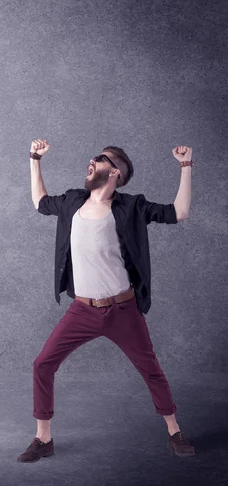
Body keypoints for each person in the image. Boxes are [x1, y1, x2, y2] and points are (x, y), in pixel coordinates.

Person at [17, 139, 195, 463]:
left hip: (123, 309)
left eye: (98, 159)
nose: (90, 160)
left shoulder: (131, 207)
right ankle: (43, 438)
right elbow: (40, 202)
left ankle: (174, 431)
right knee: (43, 364)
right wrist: (34, 159)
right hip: (82, 310)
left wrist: (186, 166)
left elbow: (179, 212)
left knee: (151, 370)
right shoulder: (72, 201)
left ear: (113, 172)